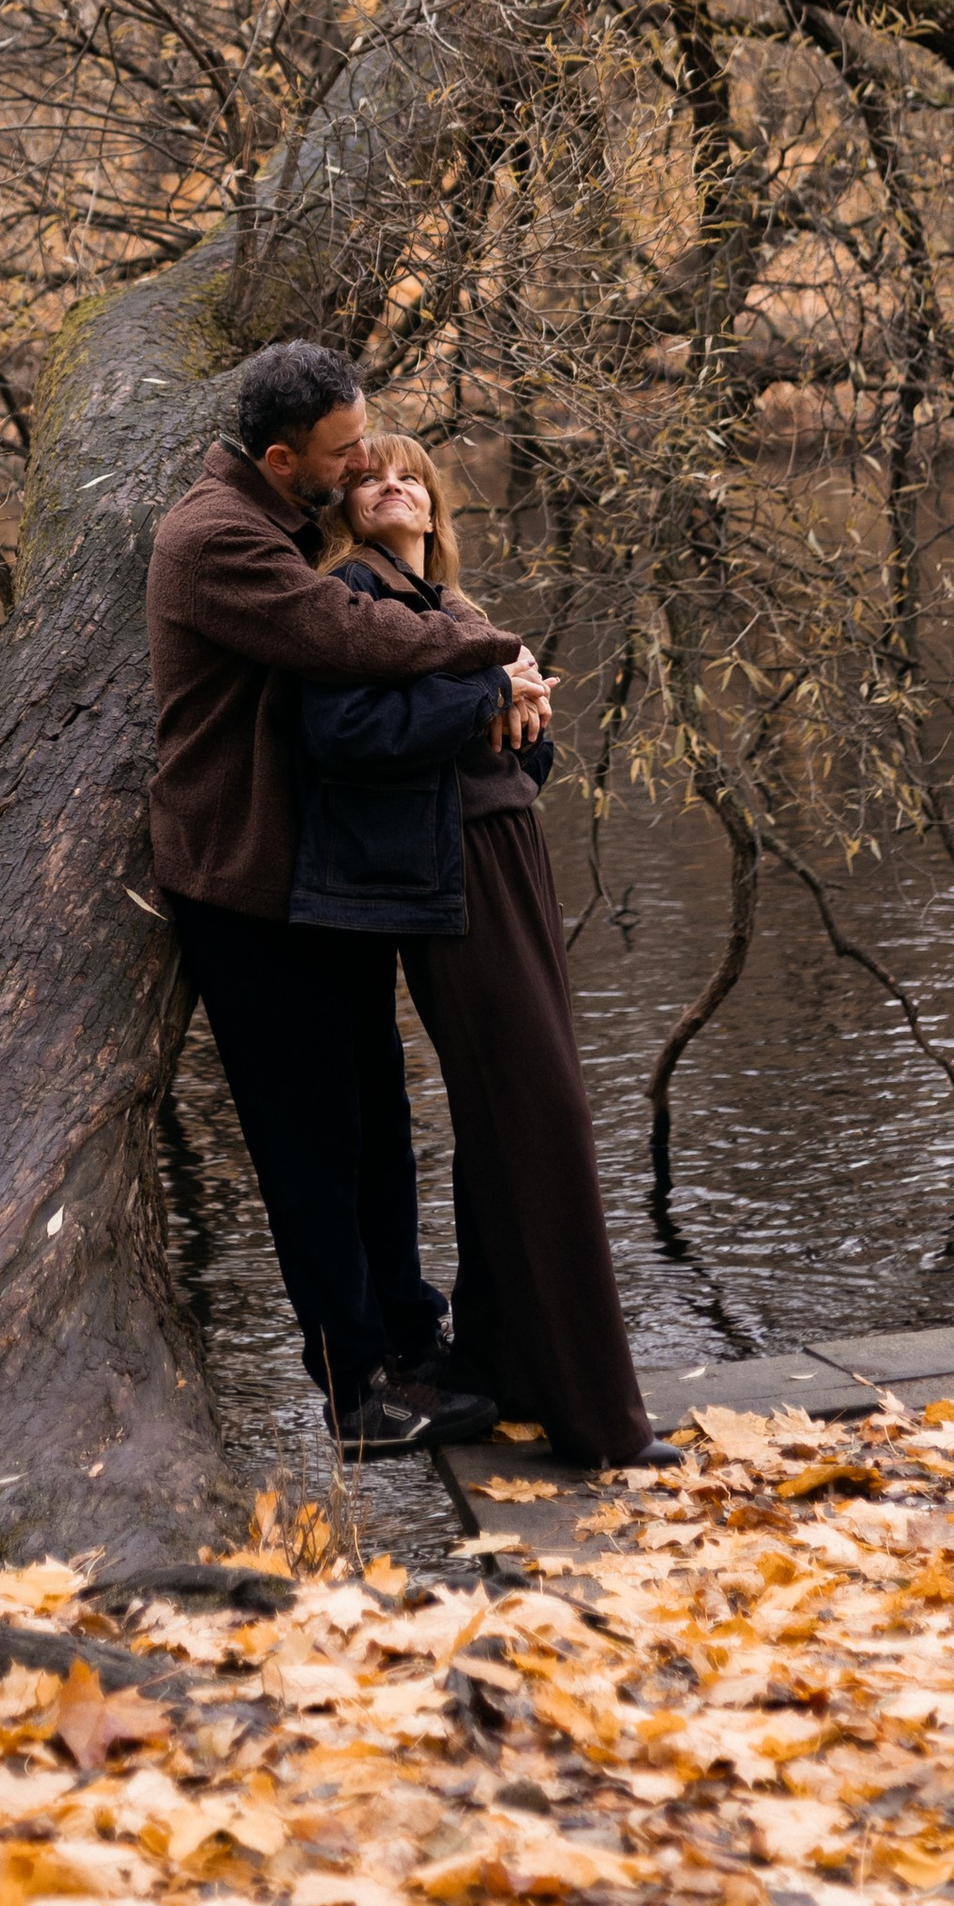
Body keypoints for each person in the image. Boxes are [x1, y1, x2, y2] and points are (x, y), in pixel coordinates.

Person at [146, 339, 552, 1454]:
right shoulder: (214, 537)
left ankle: (411, 1341)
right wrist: (492, 658)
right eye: (341, 453)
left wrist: (486, 689)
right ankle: (355, 1393)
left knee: (374, 1121)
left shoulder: (277, 518)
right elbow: (345, 634)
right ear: (281, 458)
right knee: (308, 1145)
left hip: (315, 882)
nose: (361, 461)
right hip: (241, 883)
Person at [300, 435, 673, 1470]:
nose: (393, 484)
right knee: (535, 1117)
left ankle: (500, 1367)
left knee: (519, 1121)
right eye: (371, 473)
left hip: (513, 855)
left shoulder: (452, 611)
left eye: (411, 474)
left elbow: (510, 739)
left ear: (435, 504)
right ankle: (597, 1417)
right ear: (346, 504)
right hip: (452, 873)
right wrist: (484, 699)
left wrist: (528, 718)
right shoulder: (350, 602)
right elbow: (345, 736)